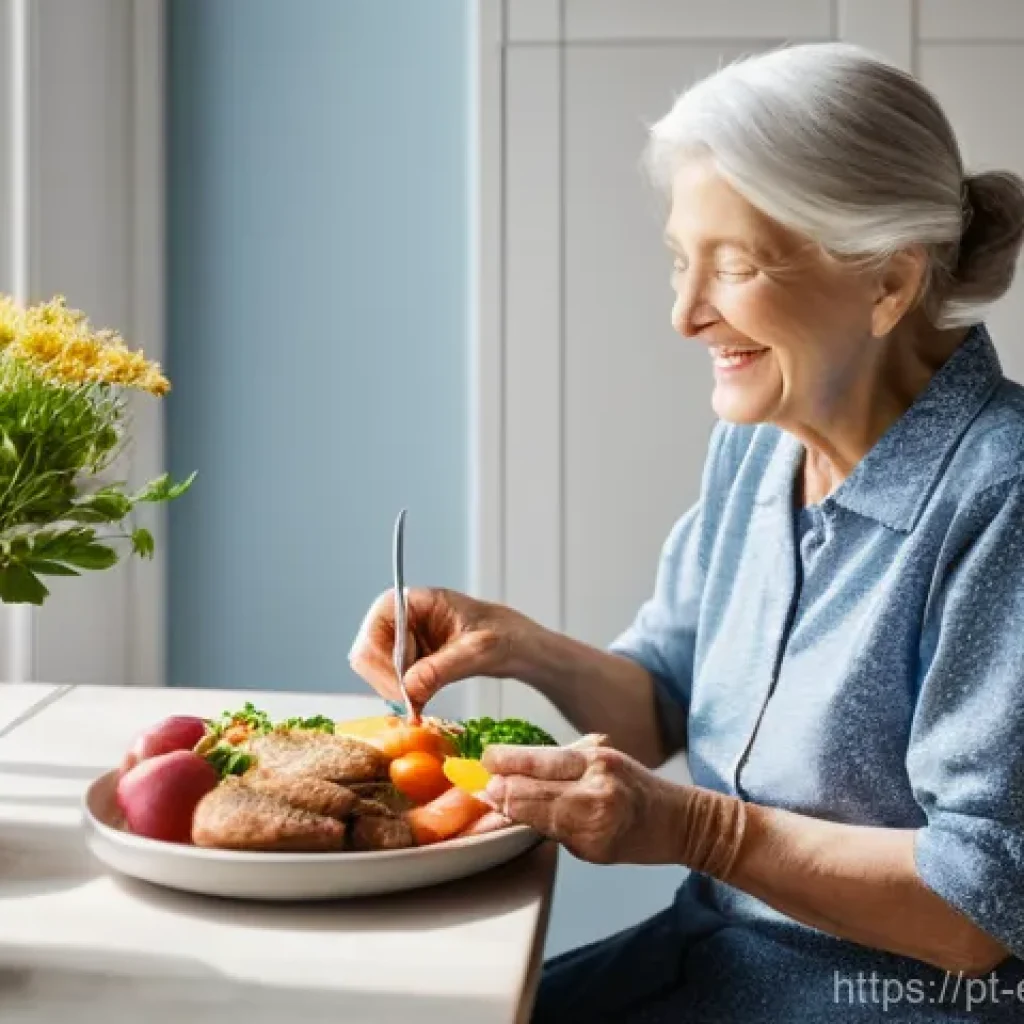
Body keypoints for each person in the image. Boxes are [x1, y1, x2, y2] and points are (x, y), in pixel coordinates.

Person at [349, 43, 1024, 1022]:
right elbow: (662, 705)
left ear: (887, 280)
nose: (684, 314)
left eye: (735, 267)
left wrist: (700, 832)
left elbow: (977, 908)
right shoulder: (759, 445)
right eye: (680, 260)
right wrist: (516, 645)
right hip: (709, 961)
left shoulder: (1001, 493)